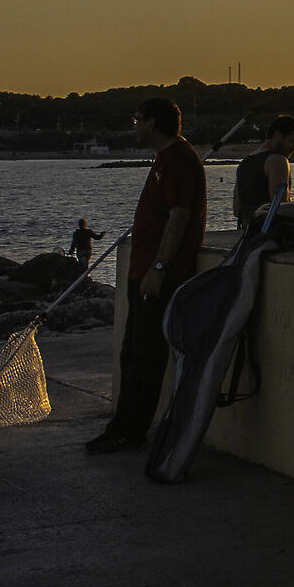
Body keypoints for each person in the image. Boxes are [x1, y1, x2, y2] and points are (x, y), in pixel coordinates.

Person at [89, 97, 206, 454]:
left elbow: (179, 216)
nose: (135, 125)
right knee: (133, 353)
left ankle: (129, 430)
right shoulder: (164, 159)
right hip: (142, 271)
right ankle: (122, 425)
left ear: (152, 123)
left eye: (137, 119)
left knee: (146, 356)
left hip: (158, 276)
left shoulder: (178, 160)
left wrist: (158, 269)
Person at [232, 115, 294, 231]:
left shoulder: (244, 163)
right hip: (271, 231)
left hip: (249, 230)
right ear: (277, 135)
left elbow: (237, 210)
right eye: (293, 141)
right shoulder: (277, 161)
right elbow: (282, 207)